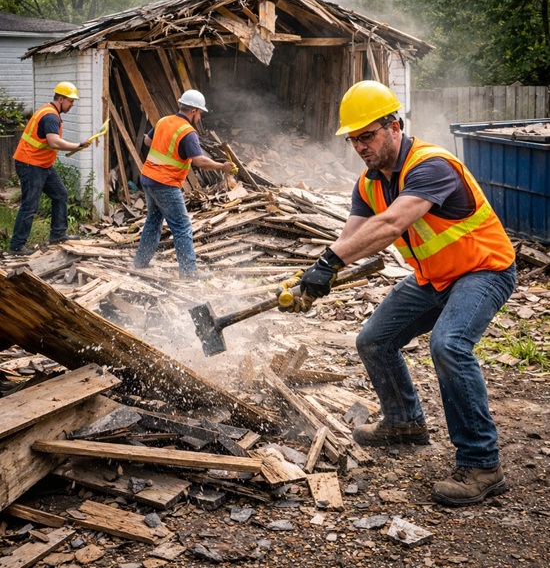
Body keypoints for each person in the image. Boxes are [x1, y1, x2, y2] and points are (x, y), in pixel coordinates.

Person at [287, 80, 516, 507]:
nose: (359, 146)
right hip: (434, 277)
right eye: (353, 139)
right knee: (373, 340)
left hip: (483, 270)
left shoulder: (431, 166)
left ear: (394, 126)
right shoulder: (369, 183)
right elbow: (352, 236)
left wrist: (329, 262)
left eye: (367, 135)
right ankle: (404, 422)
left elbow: (391, 225)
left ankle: (483, 464)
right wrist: (315, 276)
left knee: (449, 344)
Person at [133, 89, 235, 280]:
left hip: (148, 178)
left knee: (153, 221)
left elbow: (147, 140)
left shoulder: (164, 121)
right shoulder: (188, 132)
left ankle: (140, 262)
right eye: (200, 113)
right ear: (194, 111)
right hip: (165, 183)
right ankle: (188, 271)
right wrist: (223, 166)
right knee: (181, 225)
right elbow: (200, 162)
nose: (200, 117)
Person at [9, 82, 92, 255]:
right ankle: (16, 246)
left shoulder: (49, 111)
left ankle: (58, 234)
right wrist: (77, 144)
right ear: (60, 99)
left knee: (60, 194)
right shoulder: (51, 116)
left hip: (41, 164)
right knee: (30, 204)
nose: (72, 105)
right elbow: (54, 142)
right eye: (70, 101)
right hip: (31, 164)